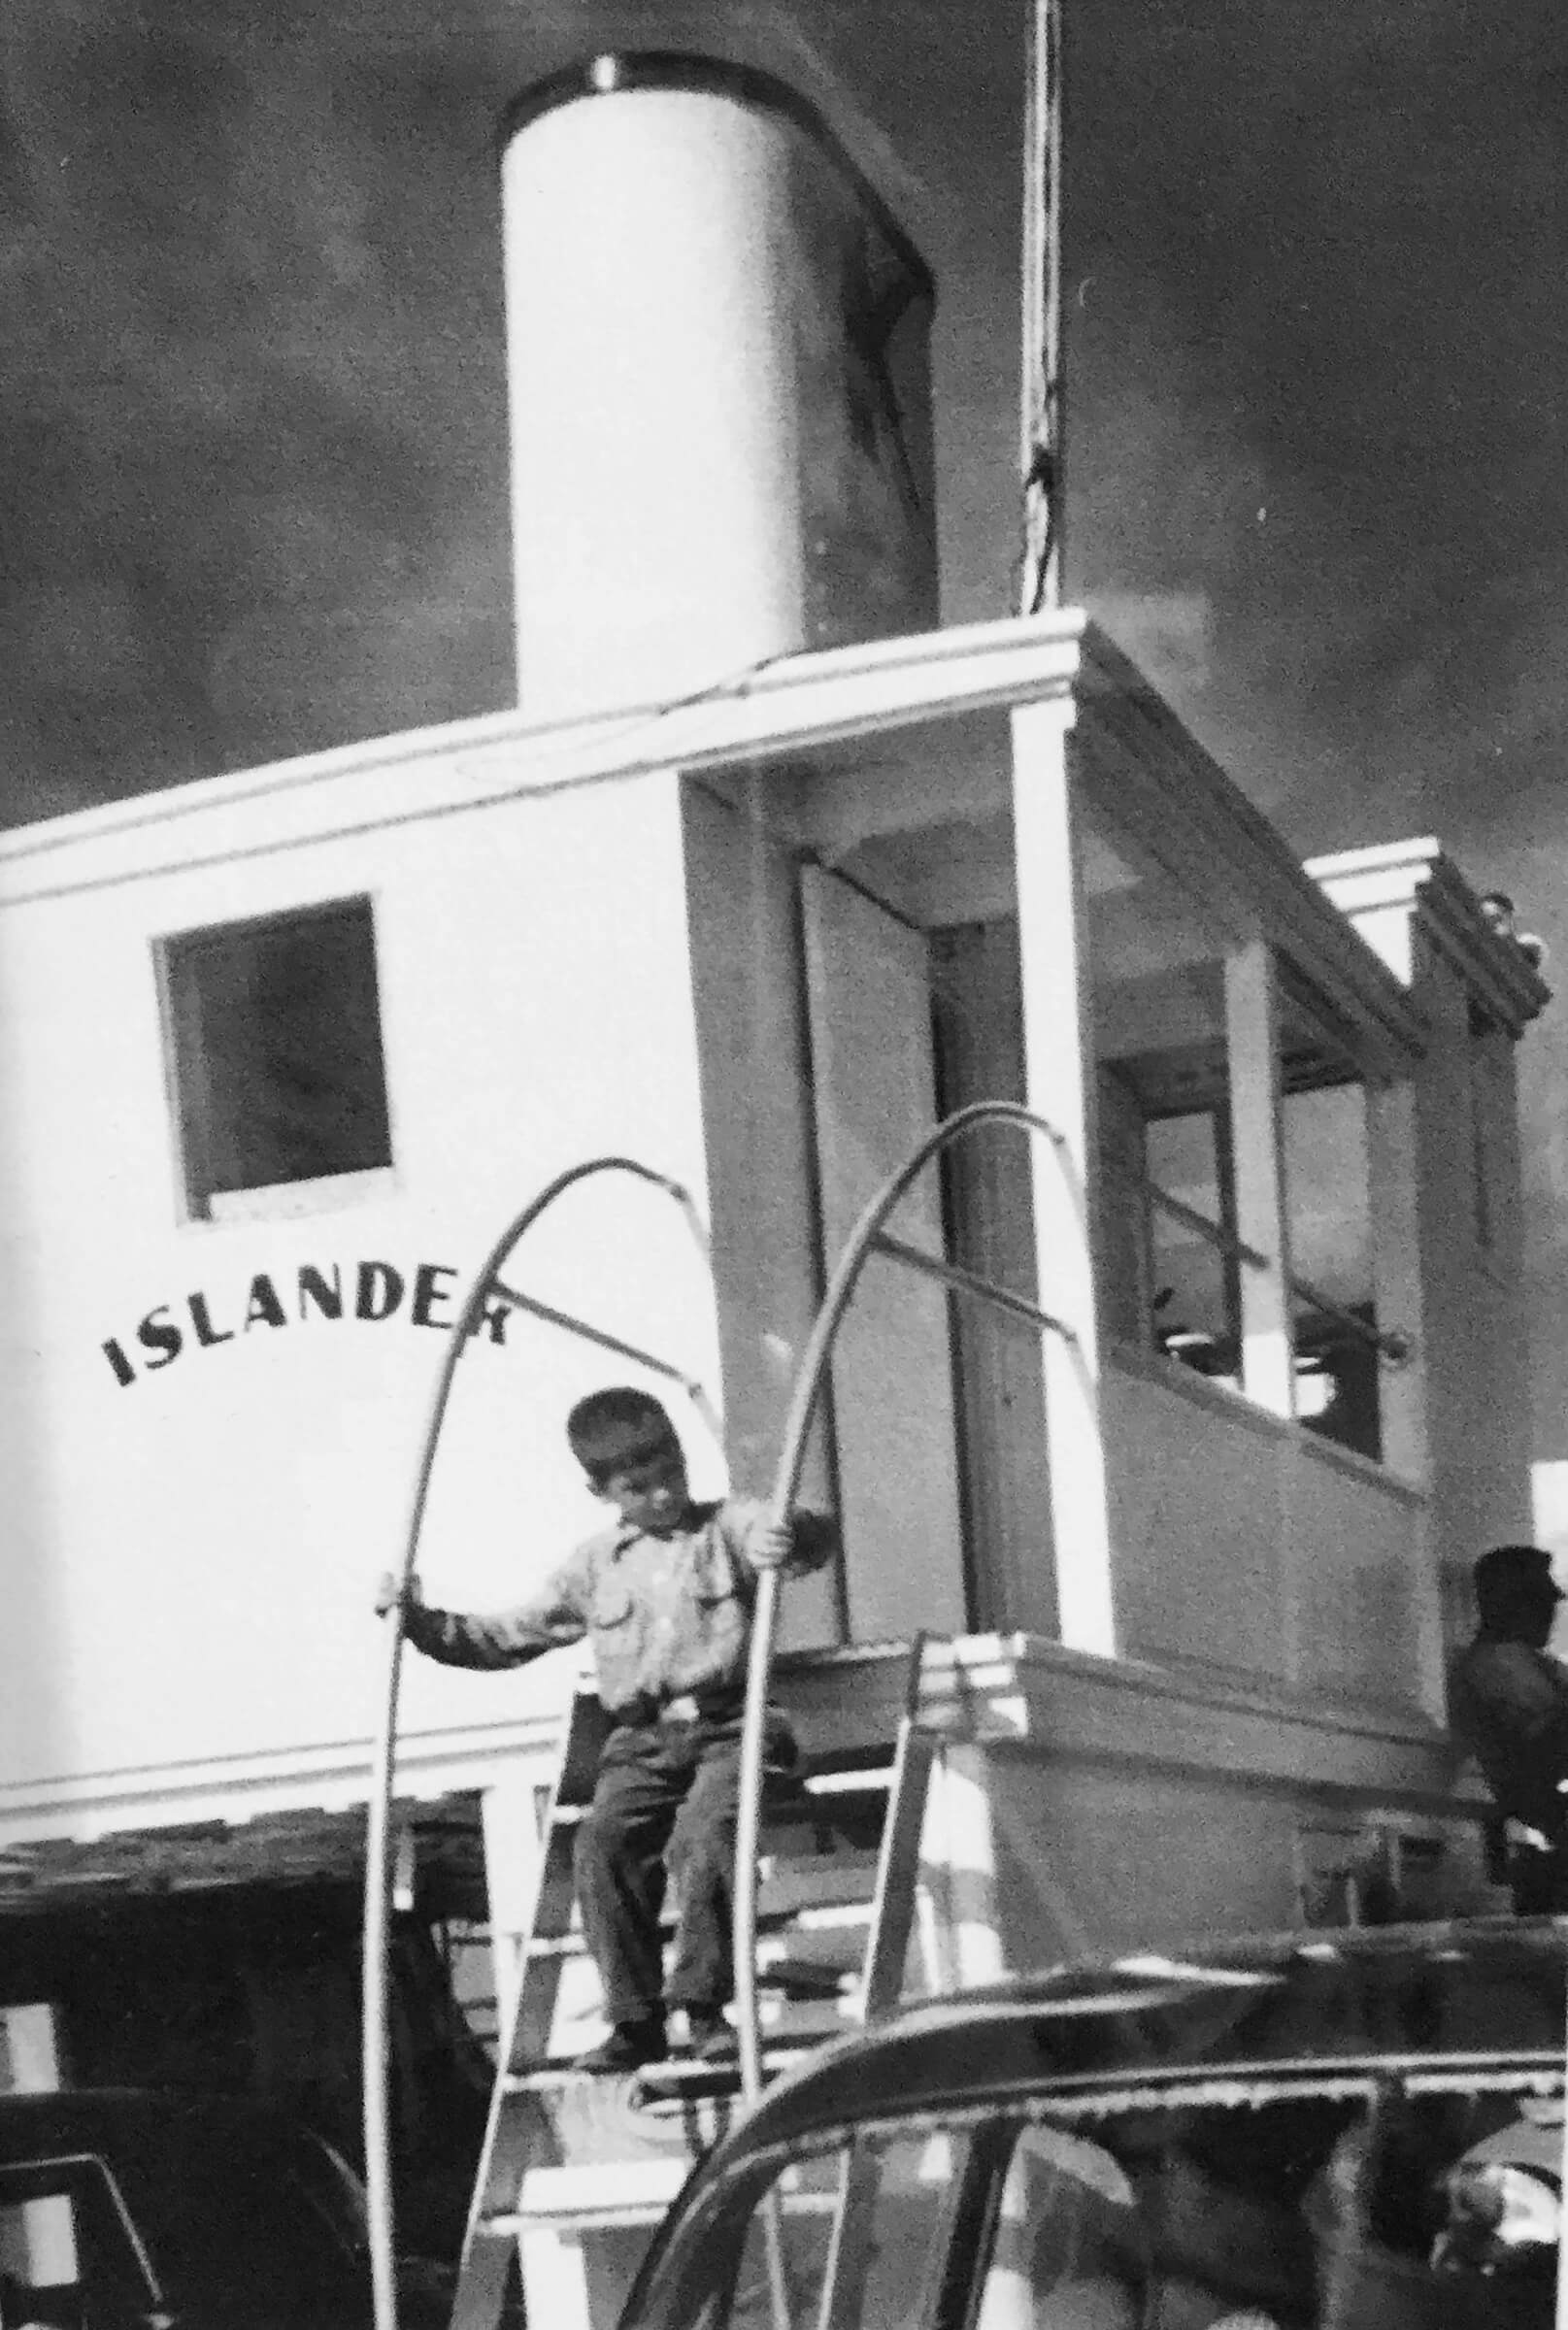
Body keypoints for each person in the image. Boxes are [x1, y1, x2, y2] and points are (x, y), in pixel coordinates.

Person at [377, 1386, 836, 2074]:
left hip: (731, 1726)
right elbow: (506, 1636)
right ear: (601, 1491)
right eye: (638, 1486)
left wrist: (790, 1535)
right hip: (641, 1742)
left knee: (704, 1838)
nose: (660, 1496)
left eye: (670, 1476)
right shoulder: (593, 1568)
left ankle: (704, 2009)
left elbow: (799, 1534)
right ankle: (635, 2023)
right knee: (601, 1848)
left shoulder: (727, 1529)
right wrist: (419, 1623)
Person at [1448, 1545, 1568, 1914]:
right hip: (1526, 1829)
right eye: (1537, 1600)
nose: (1550, 1611)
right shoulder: (1489, 1665)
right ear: (1507, 1603)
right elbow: (1535, 1753)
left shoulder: (1539, 1664)